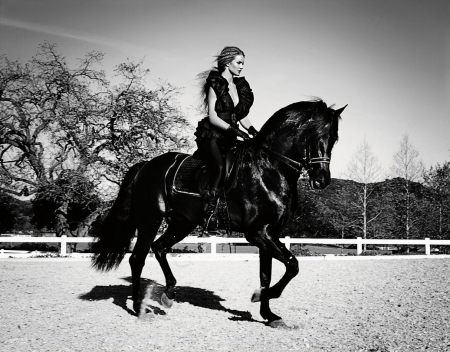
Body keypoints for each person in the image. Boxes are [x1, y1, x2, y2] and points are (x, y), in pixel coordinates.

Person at [194, 46, 258, 234]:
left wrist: (253, 130)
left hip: (231, 135)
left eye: (243, 63)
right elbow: (214, 117)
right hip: (212, 135)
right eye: (239, 63)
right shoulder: (215, 84)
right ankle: (208, 213)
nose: (241, 67)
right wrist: (236, 130)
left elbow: (240, 115)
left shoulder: (238, 87)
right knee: (220, 168)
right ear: (228, 62)